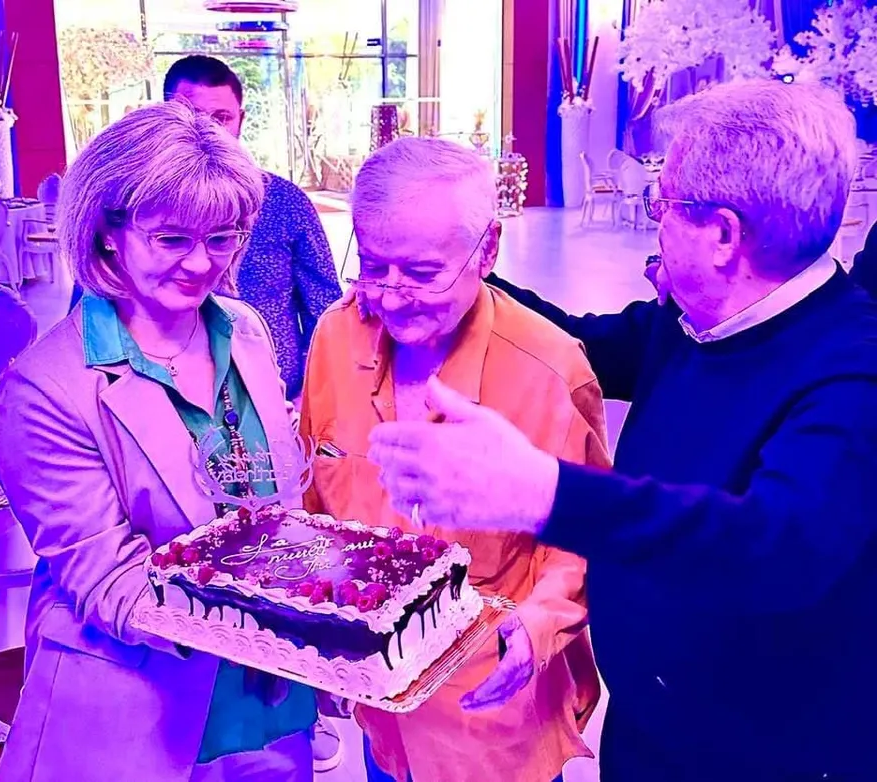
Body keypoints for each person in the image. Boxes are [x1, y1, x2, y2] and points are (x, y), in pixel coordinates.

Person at [366, 80, 877, 781]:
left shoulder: (852, 370)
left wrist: (546, 494)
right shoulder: (694, 318)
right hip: (648, 731)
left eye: (663, 204)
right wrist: (445, 271)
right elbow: (581, 343)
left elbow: (776, 546)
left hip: (763, 754)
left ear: (724, 235)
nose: (653, 224)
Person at [0, 101, 316, 782]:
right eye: (171, 239)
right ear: (107, 231)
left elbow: (274, 505)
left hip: (270, 706)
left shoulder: (245, 329)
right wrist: (285, 627)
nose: (201, 263)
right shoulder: (45, 389)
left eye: (222, 238)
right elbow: (110, 583)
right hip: (140, 713)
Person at [300, 137, 607, 782]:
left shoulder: (549, 367)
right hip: (379, 710)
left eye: (421, 273)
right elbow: (317, 498)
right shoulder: (334, 336)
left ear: (487, 250)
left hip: (490, 720)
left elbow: (584, 536)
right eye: (374, 266)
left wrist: (538, 623)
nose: (391, 296)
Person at [164, 55, 342, 403]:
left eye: (222, 117)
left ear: (240, 120)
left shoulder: (283, 201)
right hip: (172, 398)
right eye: (193, 115)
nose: (209, 130)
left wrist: (313, 397)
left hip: (278, 397)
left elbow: (325, 309)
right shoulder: (136, 207)